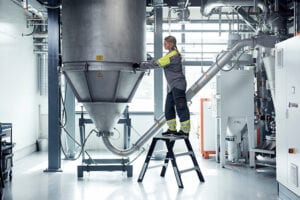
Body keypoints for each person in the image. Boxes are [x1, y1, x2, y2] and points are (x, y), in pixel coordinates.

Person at [133, 36, 190, 137]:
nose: (164, 45)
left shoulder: (172, 55)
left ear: (171, 44)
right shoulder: (170, 54)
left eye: (166, 43)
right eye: (164, 43)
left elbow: (157, 63)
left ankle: (185, 131)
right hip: (172, 86)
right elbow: (159, 61)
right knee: (168, 108)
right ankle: (172, 129)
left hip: (178, 85)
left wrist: (140, 65)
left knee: (181, 107)